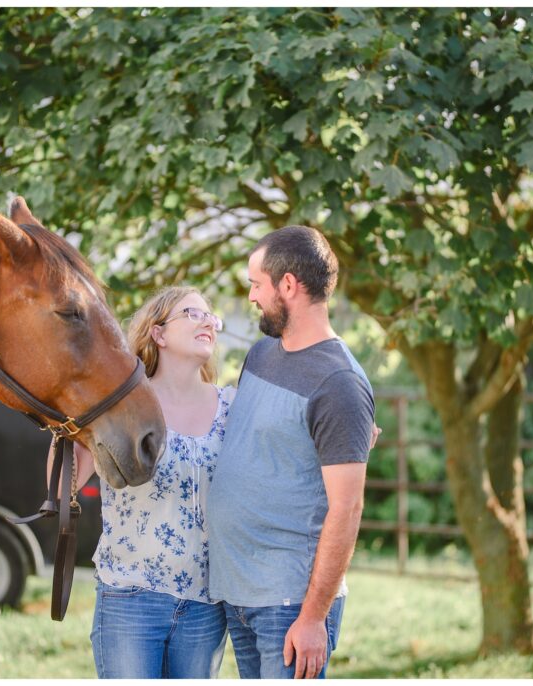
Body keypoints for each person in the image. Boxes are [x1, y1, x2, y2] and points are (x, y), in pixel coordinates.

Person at [207, 225, 376, 679]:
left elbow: (348, 506)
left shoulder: (339, 383)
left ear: (288, 285)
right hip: (239, 591)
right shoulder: (261, 354)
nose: (251, 297)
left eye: (255, 284)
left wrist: (313, 617)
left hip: (288, 605)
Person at [72, 286, 234, 679]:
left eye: (210, 316)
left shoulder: (233, 407)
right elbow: (64, 484)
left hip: (206, 603)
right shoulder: (122, 406)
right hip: (131, 596)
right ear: (158, 334)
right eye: (191, 314)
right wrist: (71, 424)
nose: (207, 322)